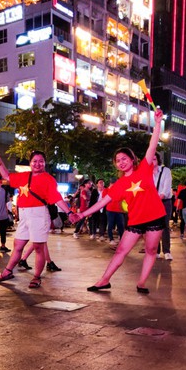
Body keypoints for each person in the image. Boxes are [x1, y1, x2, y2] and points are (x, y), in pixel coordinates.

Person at [70, 109, 165, 294]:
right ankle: (104, 280)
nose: (121, 162)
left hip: (155, 217)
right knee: (121, 250)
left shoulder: (144, 169)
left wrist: (158, 123)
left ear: (132, 159)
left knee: (151, 250)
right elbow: (101, 203)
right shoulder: (119, 185)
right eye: (117, 161)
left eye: (124, 158)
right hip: (135, 221)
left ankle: (142, 282)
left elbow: (152, 145)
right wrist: (82, 214)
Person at [0, 150, 74, 289]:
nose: (37, 164)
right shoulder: (24, 176)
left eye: (41, 161)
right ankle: (8, 271)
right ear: (30, 163)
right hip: (24, 215)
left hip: (39, 214)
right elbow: (7, 175)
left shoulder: (48, 179)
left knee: (38, 247)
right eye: (34, 161)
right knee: (18, 245)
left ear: (44, 163)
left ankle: (37, 277)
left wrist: (69, 212)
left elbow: (56, 198)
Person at [153, 153, 173, 260]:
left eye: (154, 159)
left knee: (164, 226)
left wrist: (158, 198)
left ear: (158, 160)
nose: (152, 162)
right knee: (154, 227)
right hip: (152, 203)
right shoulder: (147, 173)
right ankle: (156, 251)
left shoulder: (166, 171)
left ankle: (167, 251)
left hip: (164, 201)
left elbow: (166, 188)